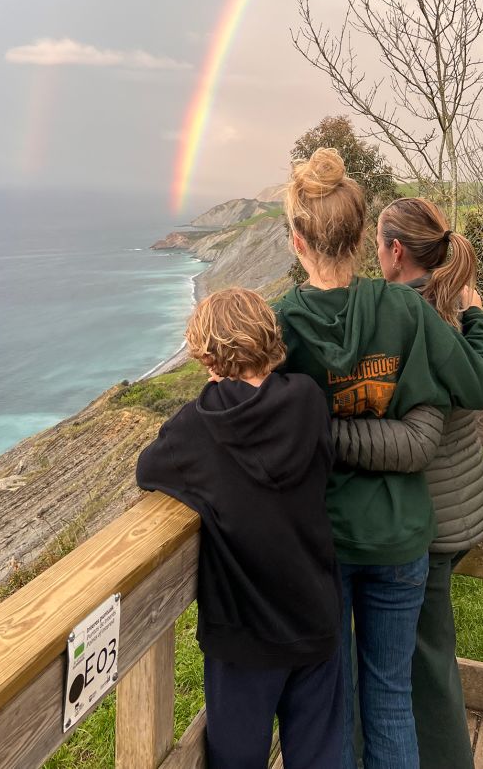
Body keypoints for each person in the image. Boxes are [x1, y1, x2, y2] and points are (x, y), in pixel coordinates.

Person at [274, 149, 483, 769]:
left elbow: (252, 424)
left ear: (298, 239)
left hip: (326, 540)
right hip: (402, 537)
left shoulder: (283, 327)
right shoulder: (404, 310)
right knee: (393, 698)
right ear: (358, 232)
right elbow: (472, 387)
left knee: (335, 700)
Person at [136, 287, 343, 769]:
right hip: (315, 614)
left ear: (207, 355)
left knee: (237, 760)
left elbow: (148, 470)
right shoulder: (309, 401)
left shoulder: (194, 429)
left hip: (243, 635)